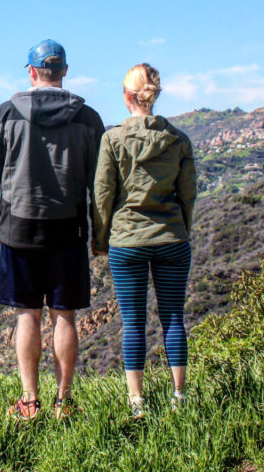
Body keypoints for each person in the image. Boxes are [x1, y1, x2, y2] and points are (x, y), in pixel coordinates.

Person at [0, 39, 105, 420]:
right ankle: (64, 401)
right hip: (69, 229)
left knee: (26, 315)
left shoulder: (5, 114)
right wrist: (100, 232)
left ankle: (29, 401)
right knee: (65, 316)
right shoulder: (88, 118)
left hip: (18, 228)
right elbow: (101, 183)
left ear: (31, 72)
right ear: (64, 71)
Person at [92, 63, 197, 418]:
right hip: (172, 238)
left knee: (134, 322)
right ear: (155, 96)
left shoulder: (113, 139)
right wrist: (183, 228)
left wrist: (102, 238)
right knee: (173, 318)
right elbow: (189, 194)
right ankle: (179, 397)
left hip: (127, 241)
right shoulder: (179, 140)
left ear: (126, 97)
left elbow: (103, 195)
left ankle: (137, 402)